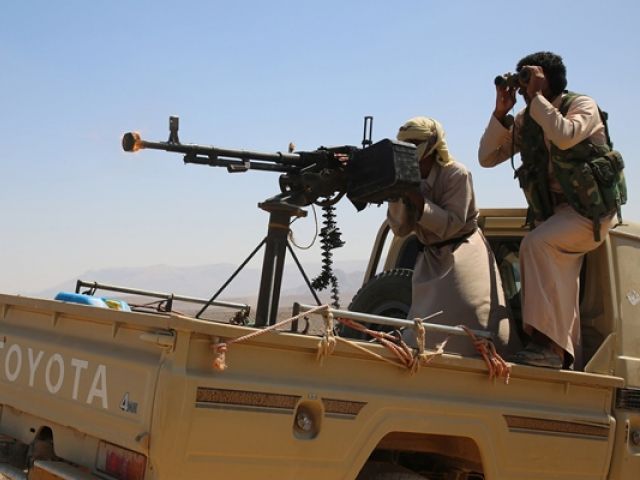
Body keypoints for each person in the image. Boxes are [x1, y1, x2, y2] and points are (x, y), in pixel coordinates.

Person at [478, 51, 626, 368]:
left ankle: (545, 347)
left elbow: (564, 135)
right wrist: (501, 114)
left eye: (528, 79)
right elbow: (488, 158)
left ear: (546, 78)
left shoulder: (581, 106)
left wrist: (536, 97)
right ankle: (566, 357)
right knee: (562, 288)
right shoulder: (530, 118)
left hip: (590, 214)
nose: (523, 88)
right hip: (556, 214)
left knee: (536, 243)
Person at [388, 117, 521, 357]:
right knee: (420, 333)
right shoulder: (410, 177)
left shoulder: (456, 174)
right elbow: (399, 228)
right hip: (430, 259)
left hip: (462, 254)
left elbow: (452, 224)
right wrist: (396, 193)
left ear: (432, 144)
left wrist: (417, 199)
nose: (408, 150)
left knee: (471, 323)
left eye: (415, 143)